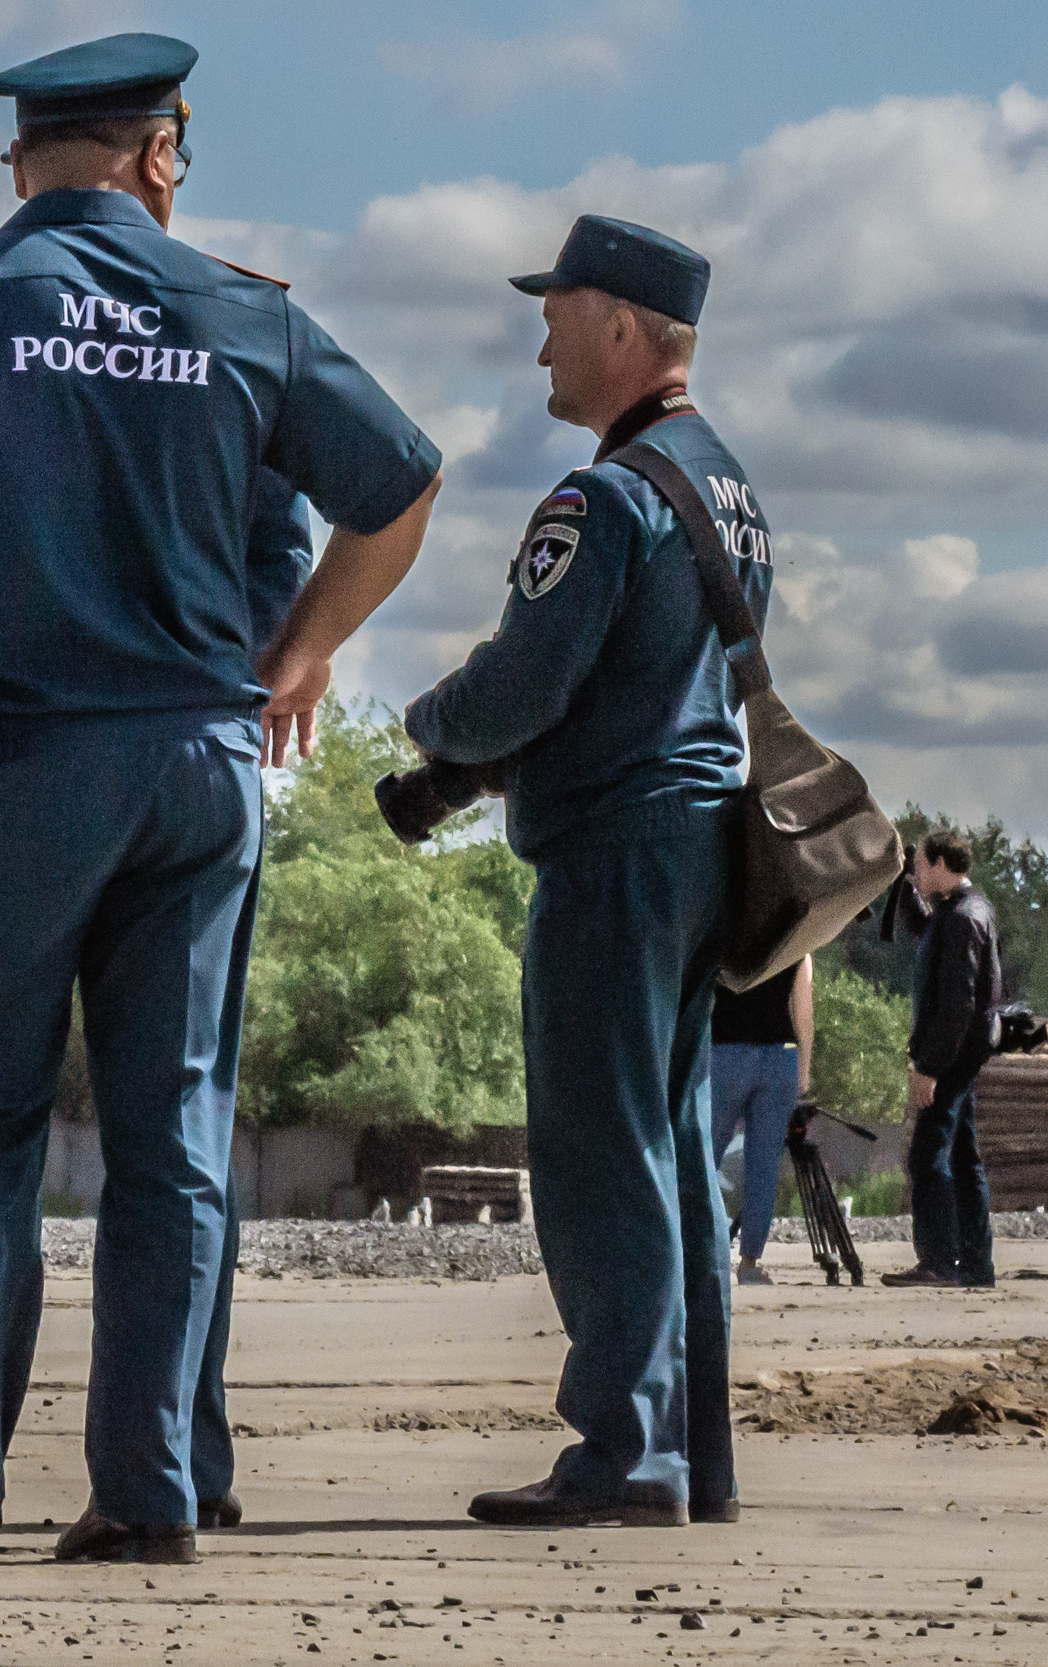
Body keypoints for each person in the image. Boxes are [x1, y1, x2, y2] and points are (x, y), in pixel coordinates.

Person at [0, 31, 441, 1564]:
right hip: (197, 772)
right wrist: (299, 657)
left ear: (19, 162)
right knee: (172, 1130)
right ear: (162, 153)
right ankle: (151, 1487)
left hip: (14, 762)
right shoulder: (245, 313)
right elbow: (403, 482)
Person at [406, 215, 771, 1529]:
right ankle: (694, 1451)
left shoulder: (606, 494)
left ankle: (626, 1450)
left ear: (621, 326)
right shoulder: (725, 483)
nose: (540, 335)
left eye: (555, 309)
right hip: (699, 845)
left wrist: (433, 728)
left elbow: (526, 680)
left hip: (616, 858)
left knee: (601, 1151)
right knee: (671, 1149)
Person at [882, 831, 1002, 1289]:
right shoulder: (966, 910)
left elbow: (956, 1006)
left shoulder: (960, 919)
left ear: (938, 862)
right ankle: (975, 1264)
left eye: (919, 865)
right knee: (965, 1158)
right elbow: (923, 928)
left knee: (926, 1156)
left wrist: (929, 1068)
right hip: (964, 1055)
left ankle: (939, 1261)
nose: (916, 871)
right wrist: (902, 882)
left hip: (952, 1057)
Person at [710, 957, 813, 1285]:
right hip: (780, 1055)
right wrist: (805, 1069)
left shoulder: (724, 933)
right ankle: (750, 1262)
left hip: (724, 1051)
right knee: (763, 1167)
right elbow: (803, 1013)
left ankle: (703, 1254)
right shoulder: (798, 942)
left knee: (702, 1159)